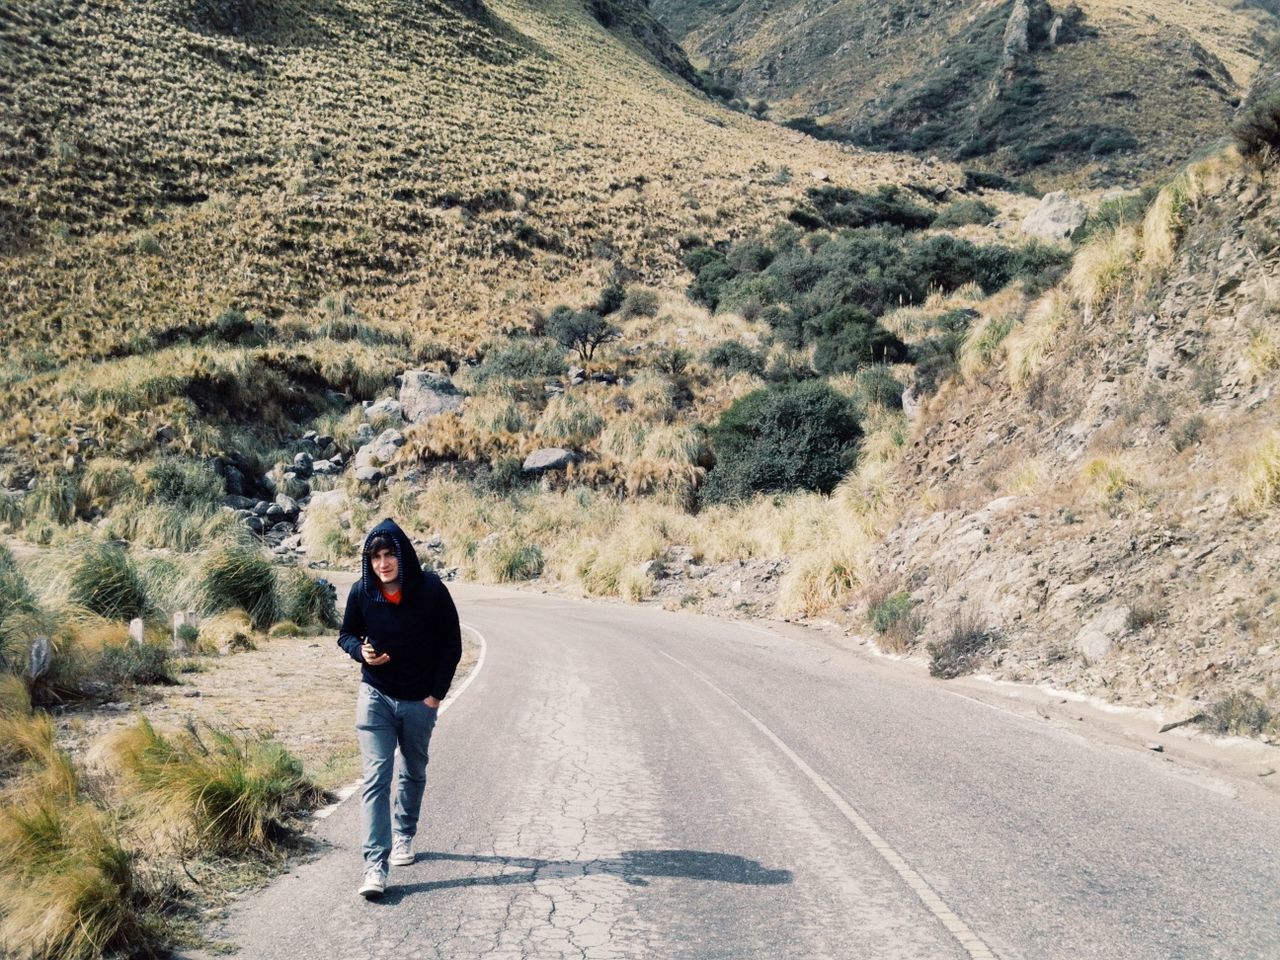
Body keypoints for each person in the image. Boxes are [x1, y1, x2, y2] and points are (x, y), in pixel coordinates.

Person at [337, 518, 461, 899]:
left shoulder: (431, 591)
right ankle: (376, 865)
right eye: (376, 556)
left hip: (419, 700)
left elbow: (451, 644)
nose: (383, 562)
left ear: (403, 555)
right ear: (368, 561)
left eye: (390, 554)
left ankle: (404, 833)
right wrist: (362, 652)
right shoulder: (362, 592)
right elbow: (345, 634)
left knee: (413, 769)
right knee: (376, 778)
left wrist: (435, 695)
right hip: (375, 696)